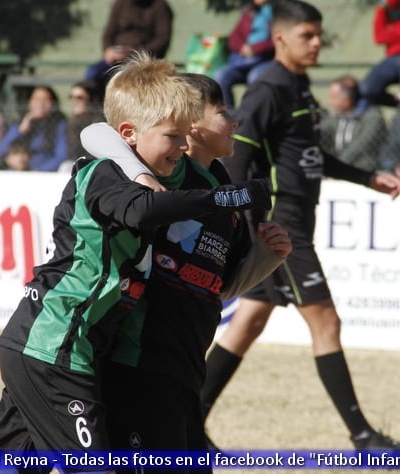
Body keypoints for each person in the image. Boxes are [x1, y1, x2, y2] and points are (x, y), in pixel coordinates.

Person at [0, 52, 273, 471]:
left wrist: (262, 253)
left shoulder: (160, 169)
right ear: (130, 134)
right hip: (54, 344)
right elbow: (142, 208)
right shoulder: (104, 174)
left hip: (73, 349)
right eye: (173, 136)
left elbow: (107, 134)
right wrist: (237, 195)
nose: (182, 145)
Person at [201, 0, 400, 451]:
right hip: (282, 228)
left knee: (248, 322)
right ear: (280, 38)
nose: (317, 42)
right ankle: (363, 437)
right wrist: (246, 229)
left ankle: (186, 420)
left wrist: (366, 177)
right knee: (326, 322)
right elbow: (238, 159)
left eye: (319, 34)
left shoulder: (298, 85)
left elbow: (306, 155)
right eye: (307, 35)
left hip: (290, 223)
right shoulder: (268, 88)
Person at [80, 73, 291, 464]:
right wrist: (143, 174)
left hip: (187, 371)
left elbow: (219, 285)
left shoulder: (222, 186)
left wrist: (265, 257)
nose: (235, 122)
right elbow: (96, 132)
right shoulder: (171, 172)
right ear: (191, 123)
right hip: (139, 367)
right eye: (223, 112)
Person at [84, 0, 173, 89]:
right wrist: (108, 50)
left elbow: (162, 39)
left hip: (143, 61)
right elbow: (108, 35)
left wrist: (134, 53)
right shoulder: (120, 4)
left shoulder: (160, 6)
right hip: (116, 59)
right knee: (93, 73)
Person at [212, 0, 274, 110]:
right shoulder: (249, 12)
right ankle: (228, 114)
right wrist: (242, 48)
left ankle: (253, 115)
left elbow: (278, 39)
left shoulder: (280, 13)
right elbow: (234, 37)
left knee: (255, 77)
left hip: (266, 60)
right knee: (221, 75)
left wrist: (256, 49)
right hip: (243, 61)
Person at [319, 75, 387, 172]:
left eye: (334, 97)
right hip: (341, 169)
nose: (330, 102)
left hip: (366, 171)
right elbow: (323, 130)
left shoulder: (373, 117)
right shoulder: (337, 117)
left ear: (347, 101)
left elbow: (360, 145)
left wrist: (337, 166)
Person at [0, 86, 68, 172]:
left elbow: (61, 156)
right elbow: (2, 150)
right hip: (18, 171)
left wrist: (39, 171)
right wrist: (20, 131)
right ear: (29, 102)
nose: (41, 103)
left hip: (45, 173)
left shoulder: (60, 125)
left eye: (45, 99)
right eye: (37, 99)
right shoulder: (21, 123)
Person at [64, 80, 105, 169]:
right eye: (71, 97)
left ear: (91, 99)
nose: (74, 101)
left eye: (79, 97)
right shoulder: (70, 122)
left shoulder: (100, 124)